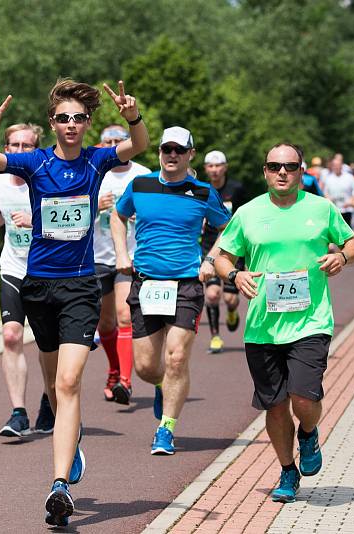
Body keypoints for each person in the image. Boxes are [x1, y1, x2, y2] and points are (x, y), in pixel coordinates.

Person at [0, 79, 148, 527]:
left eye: (79, 118)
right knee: (53, 386)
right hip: (38, 288)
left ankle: (59, 486)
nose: (71, 124)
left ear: (87, 124)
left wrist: (132, 116)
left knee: (68, 384)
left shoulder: (97, 158)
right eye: (63, 118)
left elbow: (140, 144)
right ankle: (72, 439)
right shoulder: (35, 162)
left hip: (81, 287)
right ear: (53, 123)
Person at [214, 142, 354, 504]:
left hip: (311, 321)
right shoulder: (248, 213)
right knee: (276, 406)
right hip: (262, 327)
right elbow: (222, 256)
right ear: (265, 171)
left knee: (303, 398)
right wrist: (235, 275)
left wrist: (342, 256)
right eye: (275, 166)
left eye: (291, 167)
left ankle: (308, 432)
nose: (283, 172)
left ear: (301, 171)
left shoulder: (320, 208)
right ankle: (286, 469)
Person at [111, 127, 231, 455]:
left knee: (176, 357)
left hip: (187, 284)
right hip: (146, 281)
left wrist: (211, 258)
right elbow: (118, 216)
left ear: (191, 154)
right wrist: (122, 253)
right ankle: (164, 386)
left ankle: (166, 429)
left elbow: (227, 228)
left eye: (180, 149)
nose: (172, 155)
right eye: (167, 149)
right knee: (147, 367)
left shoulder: (203, 192)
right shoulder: (141, 185)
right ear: (160, 152)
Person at [0, 122, 56, 437]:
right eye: (14, 146)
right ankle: (18, 413)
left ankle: (50, 402)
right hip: (13, 268)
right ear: (6, 149)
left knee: (49, 345)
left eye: (27, 147)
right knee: (11, 336)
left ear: (36, 150)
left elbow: (73, 220)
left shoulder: (48, 180)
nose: (20, 152)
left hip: (48, 271)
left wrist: (35, 220)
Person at [93, 124, 151, 404]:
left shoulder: (141, 175)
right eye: (108, 141)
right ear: (101, 144)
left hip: (129, 256)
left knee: (124, 314)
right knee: (105, 323)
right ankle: (114, 369)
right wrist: (94, 205)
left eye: (119, 140)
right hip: (98, 256)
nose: (114, 145)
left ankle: (125, 382)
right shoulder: (94, 172)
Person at [201, 150, 248, 353]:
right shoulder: (200, 190)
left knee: (230, 299)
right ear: (205, 169)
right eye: (210, 166)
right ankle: (215, 337)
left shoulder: (236, 189)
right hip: (209, 245)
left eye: (218, 165)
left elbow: (245, 217)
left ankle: (231, 311)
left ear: (225, 167)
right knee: (212, 294)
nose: (214, 170)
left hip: (233, 248)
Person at [323, 158, 354, 226]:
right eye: (335, 165)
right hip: (334, 210)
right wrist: (328, 199)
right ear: (332, 166)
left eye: (338, 165)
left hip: (347, 210)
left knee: (347, 234)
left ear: (342, 166)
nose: (336, 167)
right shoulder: (328, 178)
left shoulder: (349, 177)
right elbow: (325, 193)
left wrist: (351, 200)